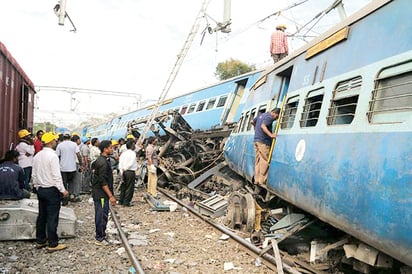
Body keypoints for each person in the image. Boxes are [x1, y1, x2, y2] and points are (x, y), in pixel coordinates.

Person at [32, 132, 69, 252]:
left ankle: (40, 240)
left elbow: (34, 174)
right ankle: (53, 244)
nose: (56, 142)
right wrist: (63, 190)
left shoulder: (37, 155)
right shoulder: (52, 156)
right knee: (52, 217)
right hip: (51, 190)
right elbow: (56, 175)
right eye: (55, 140)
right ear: (51, 142)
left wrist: (36, 186)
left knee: (42, 216)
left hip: (41, 189)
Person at [91, 140, 116, 245]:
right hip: (101, 193)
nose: (112, 149)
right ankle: (100, 237)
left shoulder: (101, 160)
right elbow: (103, 182)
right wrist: (111, 196)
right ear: (105, 149)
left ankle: (101, 234)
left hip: (100, 192)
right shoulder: (103, 163)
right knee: (101, 215)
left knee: (102, 213)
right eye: (111, 148)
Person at [253, 108, 280, 186]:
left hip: (256, 140)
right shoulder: (269, 117)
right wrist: (271, 135)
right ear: (274, 113)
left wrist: (256, 131)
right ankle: (262, 181)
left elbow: (252, 121)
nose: (276, 118)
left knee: (258, 160)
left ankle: (256, 180)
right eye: (277, 116)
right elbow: (263, 126)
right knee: (264, 160)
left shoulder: (262, 115)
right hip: (263, 142)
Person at [56, 133, 83, 204]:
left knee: (64, 184)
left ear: (63, 138)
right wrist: (81, 164)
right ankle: (71, 196)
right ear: (70, 137)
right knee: (71, 183)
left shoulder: (60, 145)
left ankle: (65, 200)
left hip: (63, 168)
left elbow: (57, 156)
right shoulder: (74, 145)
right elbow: (78, 155)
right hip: (72, 168)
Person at [118, 140, 137, 206]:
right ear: (132, 146)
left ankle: (121, 200)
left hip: (123, 171)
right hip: (130, 171)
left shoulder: (123, 153)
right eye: (134, 145)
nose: (135, 146)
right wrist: (126, 168)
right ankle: (126, 202)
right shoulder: (133, 153)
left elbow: (120, 163)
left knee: (123, 186)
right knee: (130, 187)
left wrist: (122, 171)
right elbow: (131, 163)